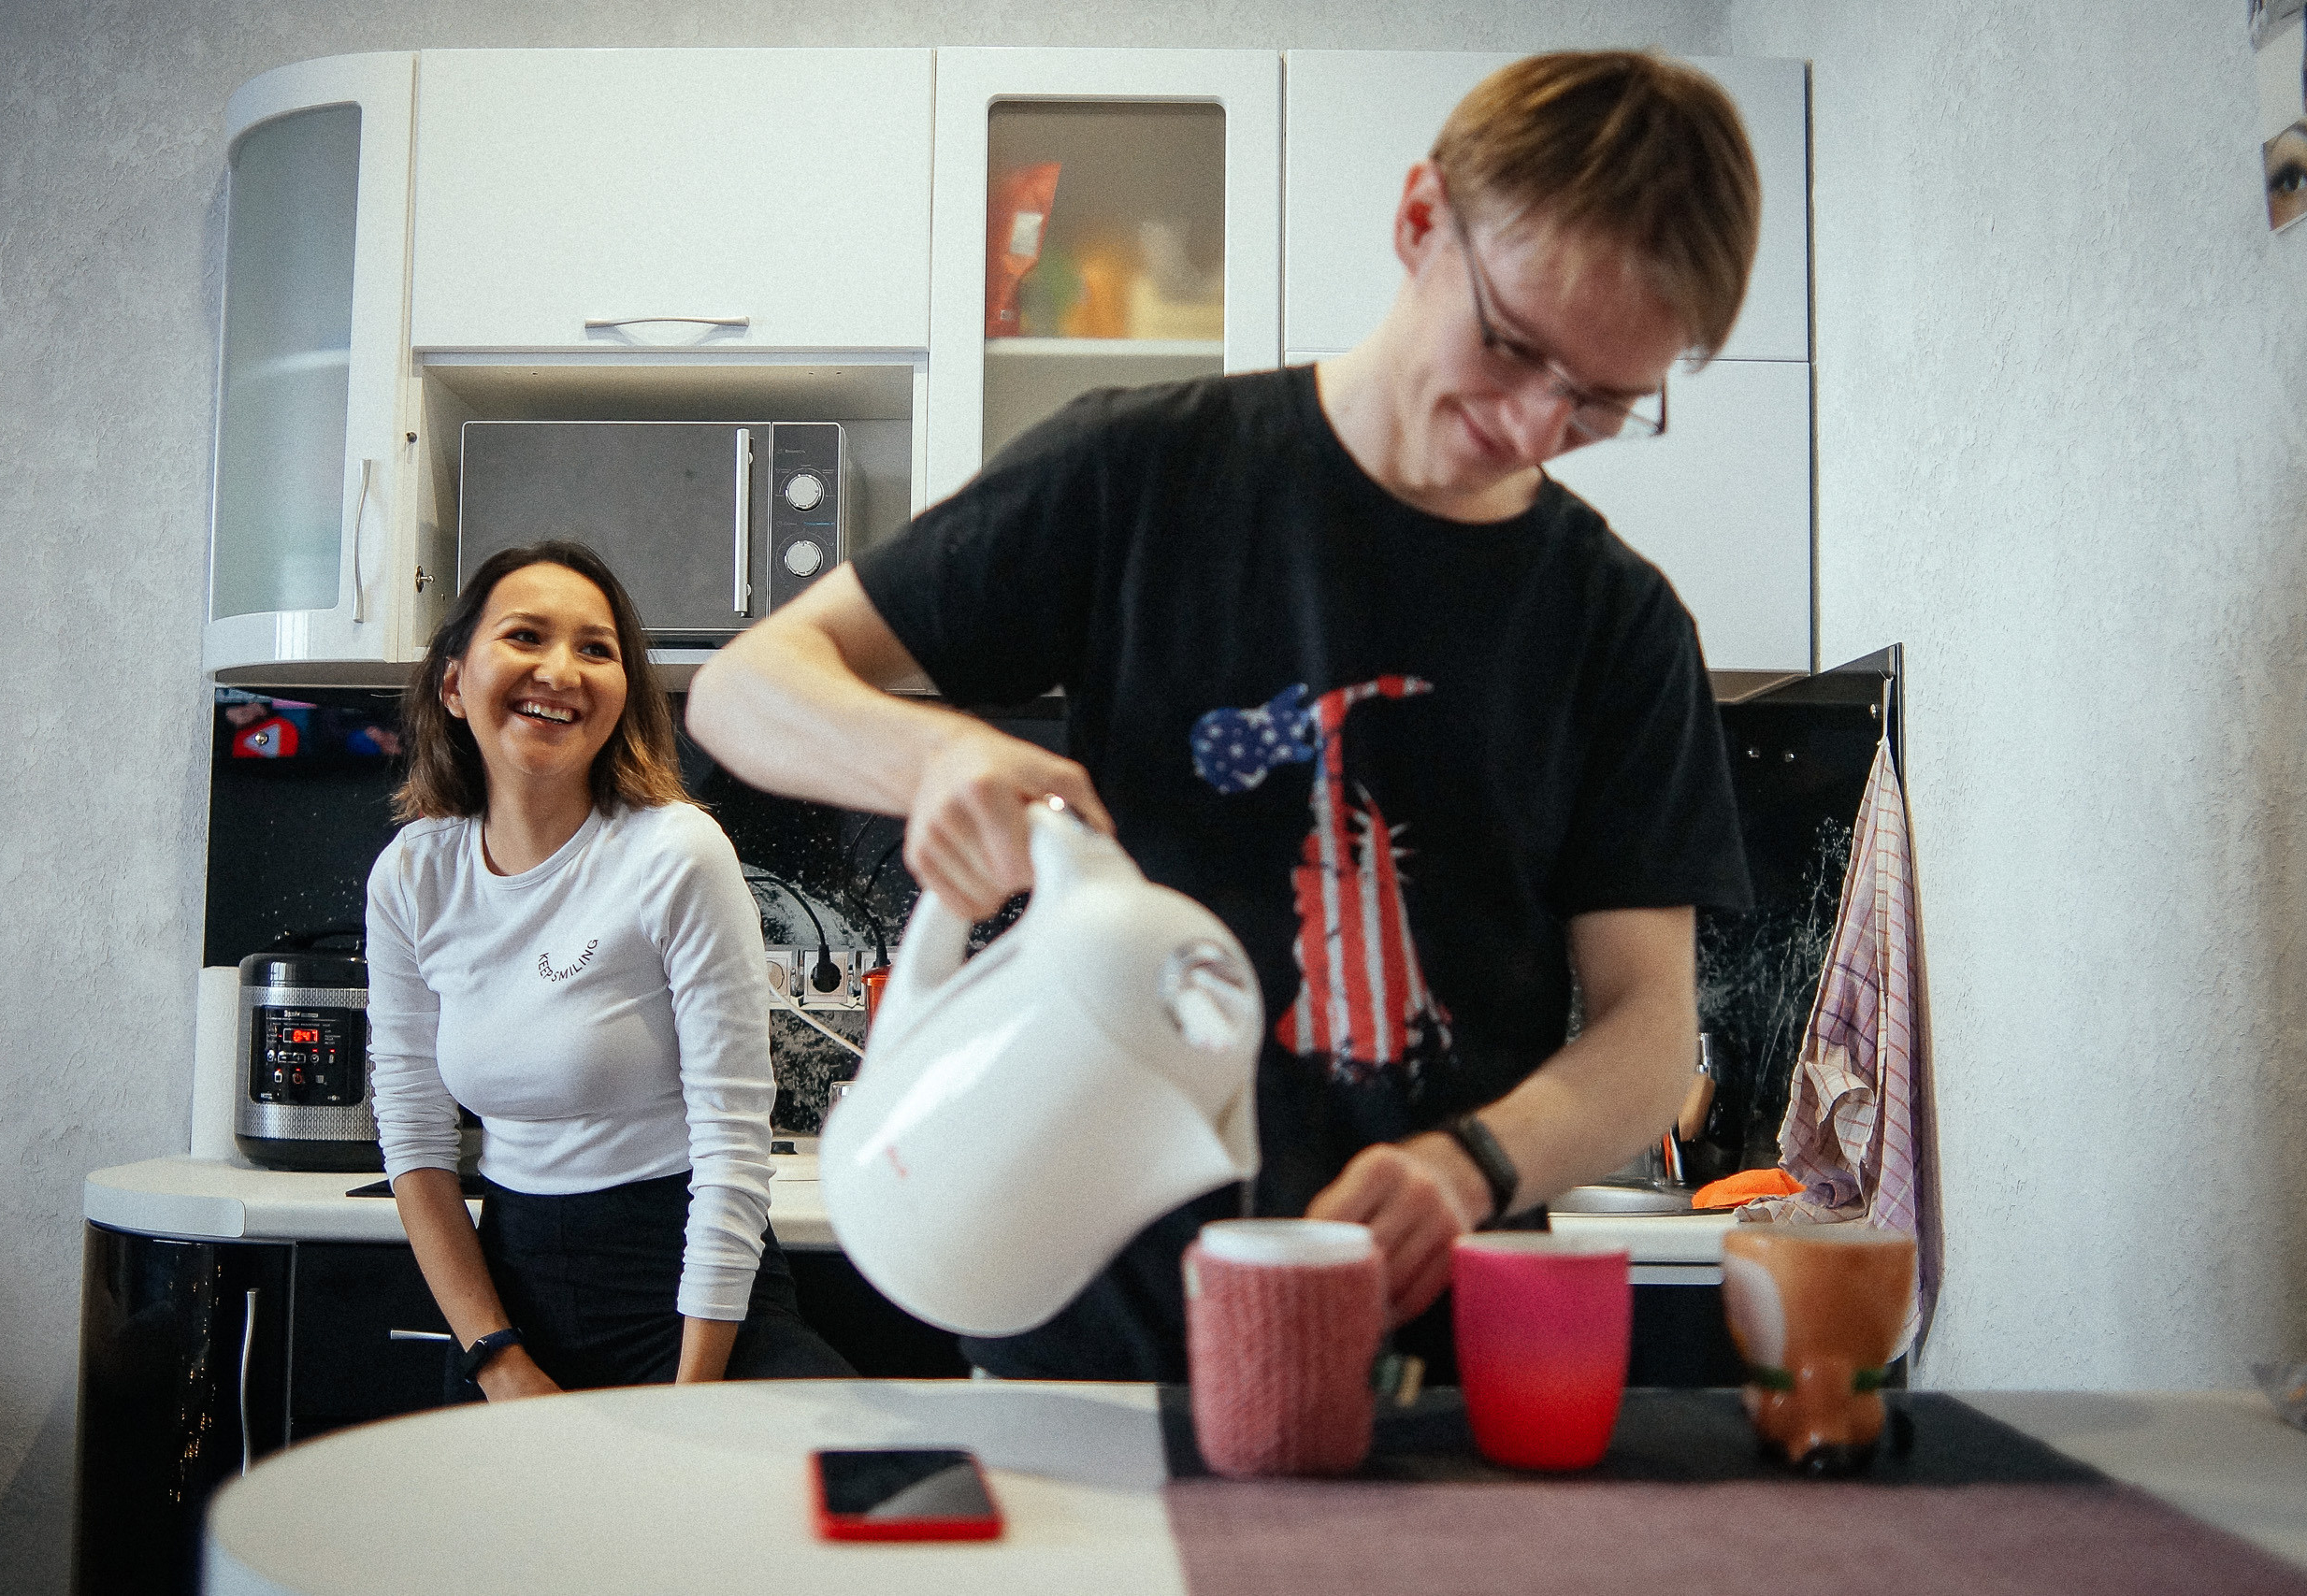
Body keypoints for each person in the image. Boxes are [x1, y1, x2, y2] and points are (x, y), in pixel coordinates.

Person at [687, 51, 1758, 1382]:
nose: (1533, 422)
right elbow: (746, 685)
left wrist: (1481, 1160)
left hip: (1405, 1367)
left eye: (1601, 403)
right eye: (1513, 346)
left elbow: (1649, 1034)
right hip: (1084, 1332)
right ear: (1422, 217)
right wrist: (934, 750)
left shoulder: (1618, 624)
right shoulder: (1142, 473)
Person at [369, 540, 852, 1400]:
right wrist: (497, 1357)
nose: (561, 669)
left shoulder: (676, 854)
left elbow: (733, 1146)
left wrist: (691, 1396)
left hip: (691, 1299)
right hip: (509, 1304)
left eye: (597, 649)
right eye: (525, 636)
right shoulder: (414, 877)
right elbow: (412, 1136)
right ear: (452, 684)